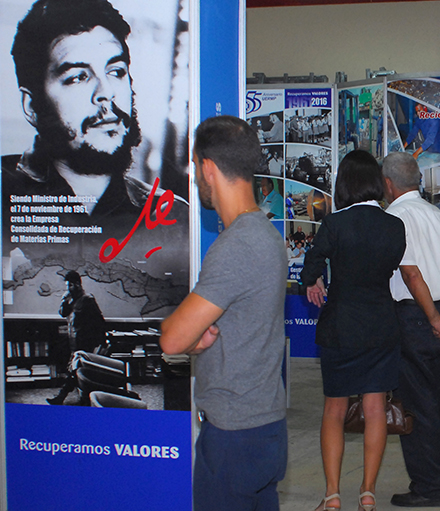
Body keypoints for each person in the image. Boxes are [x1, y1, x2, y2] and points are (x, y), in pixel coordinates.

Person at [2, 0, 189, 317]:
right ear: (32, 106)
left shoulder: (172, 217)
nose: (106, 93)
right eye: (77, 77)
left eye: (116, 72)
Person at [160, 116, 288, 511]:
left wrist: (191, 338)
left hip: (235, 434)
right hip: (262, 425)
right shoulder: (266, 233)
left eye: (197, 168)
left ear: (208, 168)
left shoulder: (236, 246)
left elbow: (172, 339)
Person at [300, 150, 406, 511]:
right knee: (375, 409)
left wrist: (311, 280)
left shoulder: (335, 224)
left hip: (341, 326)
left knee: (334, 410)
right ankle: (368, 492)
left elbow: (312, 261)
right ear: (376, 183)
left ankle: (331, 495)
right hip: (381, 323)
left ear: (343, 183)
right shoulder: (394, 226)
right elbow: (391, 267)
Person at [382, 152, 440, 508]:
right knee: (435, 401)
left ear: (387, 184)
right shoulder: (439, 217)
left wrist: (433, 318)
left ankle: (431, 487)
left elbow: (410, 273)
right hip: (439, 314)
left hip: (414, 318)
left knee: (416, 406)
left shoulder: (395, 217)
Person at [46, 270, 107, 405]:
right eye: (67, 286)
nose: (68, 288)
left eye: (70, 286)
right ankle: (83, 398)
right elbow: (63, 313)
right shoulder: (71, 299)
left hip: (85, 342)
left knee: (75, 370)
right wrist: (64, 299)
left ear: (78, 284)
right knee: (77, 370)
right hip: (73, 342)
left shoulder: (88, 300)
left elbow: (99, 321)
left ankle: (62, 397)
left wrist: (100, 343)